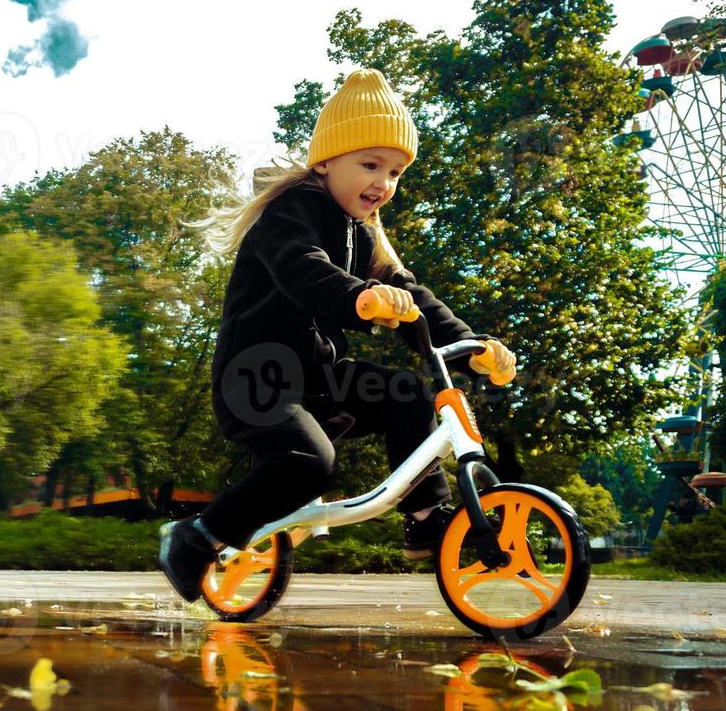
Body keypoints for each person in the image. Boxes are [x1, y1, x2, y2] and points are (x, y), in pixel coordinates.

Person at [158, 68, 516, 603]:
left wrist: (473, 348)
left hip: (319, 379)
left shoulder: (364, 233)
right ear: (326, 161)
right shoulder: (290, 212)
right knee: (310, 463)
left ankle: (424, 517)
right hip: (257, 378)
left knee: (411, 397)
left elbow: (414, 299)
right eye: (370, 165)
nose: (383, 182)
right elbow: (303, 269)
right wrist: (356, 297)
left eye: (395, 172)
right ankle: (196, 536)